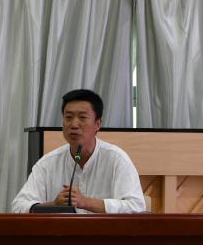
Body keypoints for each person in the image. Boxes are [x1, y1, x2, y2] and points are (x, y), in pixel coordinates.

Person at [11, 89, 146, 214]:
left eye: (82, 117)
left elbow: (137, 207)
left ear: (97, 124)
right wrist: (54, 205)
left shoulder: (117, 159)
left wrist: (86, 202)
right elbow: (18, 206)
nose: (74, 125)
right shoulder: (47, 163)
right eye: (68, 117)